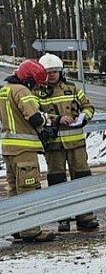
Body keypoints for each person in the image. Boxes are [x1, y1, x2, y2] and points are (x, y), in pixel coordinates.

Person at [37, 53, 99, 232]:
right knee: (57, 182)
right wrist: (57, 119)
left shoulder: (72, 88)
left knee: (82, 179)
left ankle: (86, 217)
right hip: (54, 146)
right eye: (48, 72)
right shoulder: (37, 92)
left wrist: (83, 118)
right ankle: (62, 219)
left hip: (76, 145)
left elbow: (88, 107)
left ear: (60, 71)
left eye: (55, 72)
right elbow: (35, 115)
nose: (52, 75)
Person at [0, 60, 57, 242]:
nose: (36, 88)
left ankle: (16, 227)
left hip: (8, 148)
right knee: (28, 188)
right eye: (36, 84)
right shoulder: (22, 91)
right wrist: (45, 125)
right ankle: (31, 231)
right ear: (29, 80)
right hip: (24, 149)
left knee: (14, 189)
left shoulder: (5, 90)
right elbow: (33, 117)